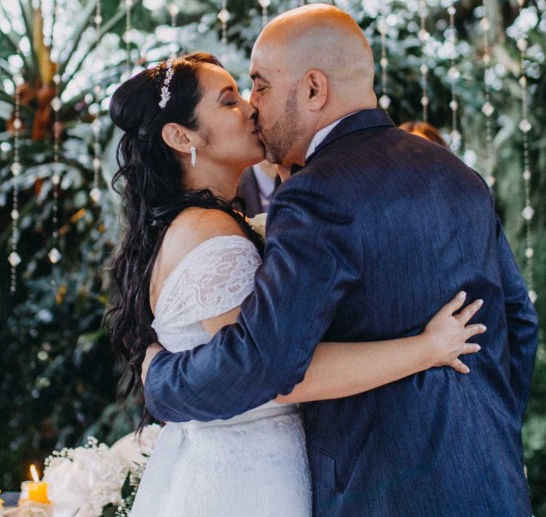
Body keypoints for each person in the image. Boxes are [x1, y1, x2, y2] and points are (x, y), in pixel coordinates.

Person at [142, 5, 539, 517]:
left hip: (380, 496)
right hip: (492, 485)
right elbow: (519, 321)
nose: (253, 106)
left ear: (313, 89)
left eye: (260, 85)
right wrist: (492, 433)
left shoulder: (315, 194)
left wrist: (163, 380)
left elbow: (266, 361)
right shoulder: (458, 173)